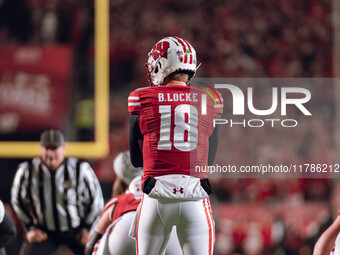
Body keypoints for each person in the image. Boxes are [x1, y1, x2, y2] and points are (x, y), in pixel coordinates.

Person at [128, 36, 223, 255]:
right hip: (195, 196)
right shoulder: (210, 99)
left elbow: (135, 159)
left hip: (156, 195)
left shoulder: (141, 97)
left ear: (161, 64)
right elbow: (210, 159)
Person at [11, 129, 104, 255]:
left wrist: (88, 228)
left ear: (63, 149)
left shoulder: (80, 170)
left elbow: (96, 201)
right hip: (45, 231)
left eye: (54, 148)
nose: (50, 153)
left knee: (98, 252)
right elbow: (17, 200)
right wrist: (30, 228)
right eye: (46, 148)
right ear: (40, 149)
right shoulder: (27, 171)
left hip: (77, 230)